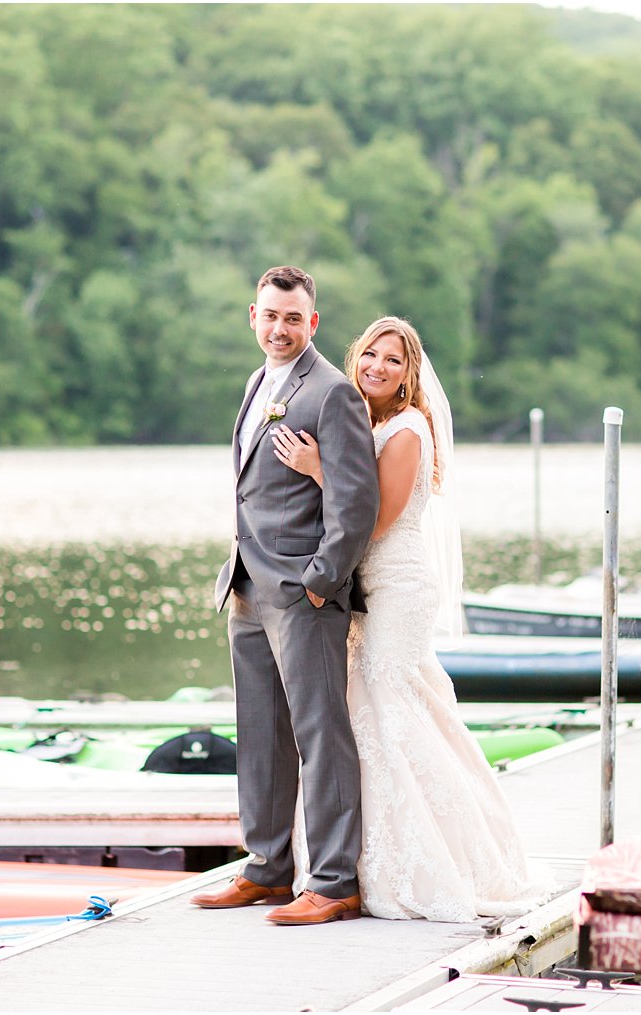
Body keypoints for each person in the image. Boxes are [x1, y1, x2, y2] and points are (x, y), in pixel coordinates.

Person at [271, 316, 552, 921]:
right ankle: (347, 860)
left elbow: (375, 518)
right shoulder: (358, 419)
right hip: (363, 586)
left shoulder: (405, 431)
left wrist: (319, 471)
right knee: (364, 713)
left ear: (409, 375)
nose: (377, 366)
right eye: (370, 353)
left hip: (396, 588)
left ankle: (427, 863)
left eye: (393, 360)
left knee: (387, 713)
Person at [189, 266, 380, 926]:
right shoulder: (255, 383)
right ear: (252, 316)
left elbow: (356, 501)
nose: (279, 328)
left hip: (303, 593)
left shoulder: (332, 393)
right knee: (260, 735)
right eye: (270, 315)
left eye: (292, 318)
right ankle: (268, 869)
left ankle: (332, 882)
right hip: (246, 582)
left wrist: (321, 582)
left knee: (320, 734)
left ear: (313, 323)